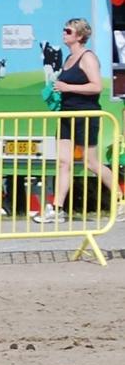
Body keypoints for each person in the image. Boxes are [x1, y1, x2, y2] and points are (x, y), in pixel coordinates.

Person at [34, 17, 118, 223]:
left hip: (86, 115)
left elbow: (97, 86)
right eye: (64, 30)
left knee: (91, 163)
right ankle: (57, 209)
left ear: (80, 36)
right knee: (63, 163)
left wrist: (68, 87)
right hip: (66, 114)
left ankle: (119, 198)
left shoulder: (87, 58)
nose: (64, 33)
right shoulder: (68, 59)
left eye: (69, 31)